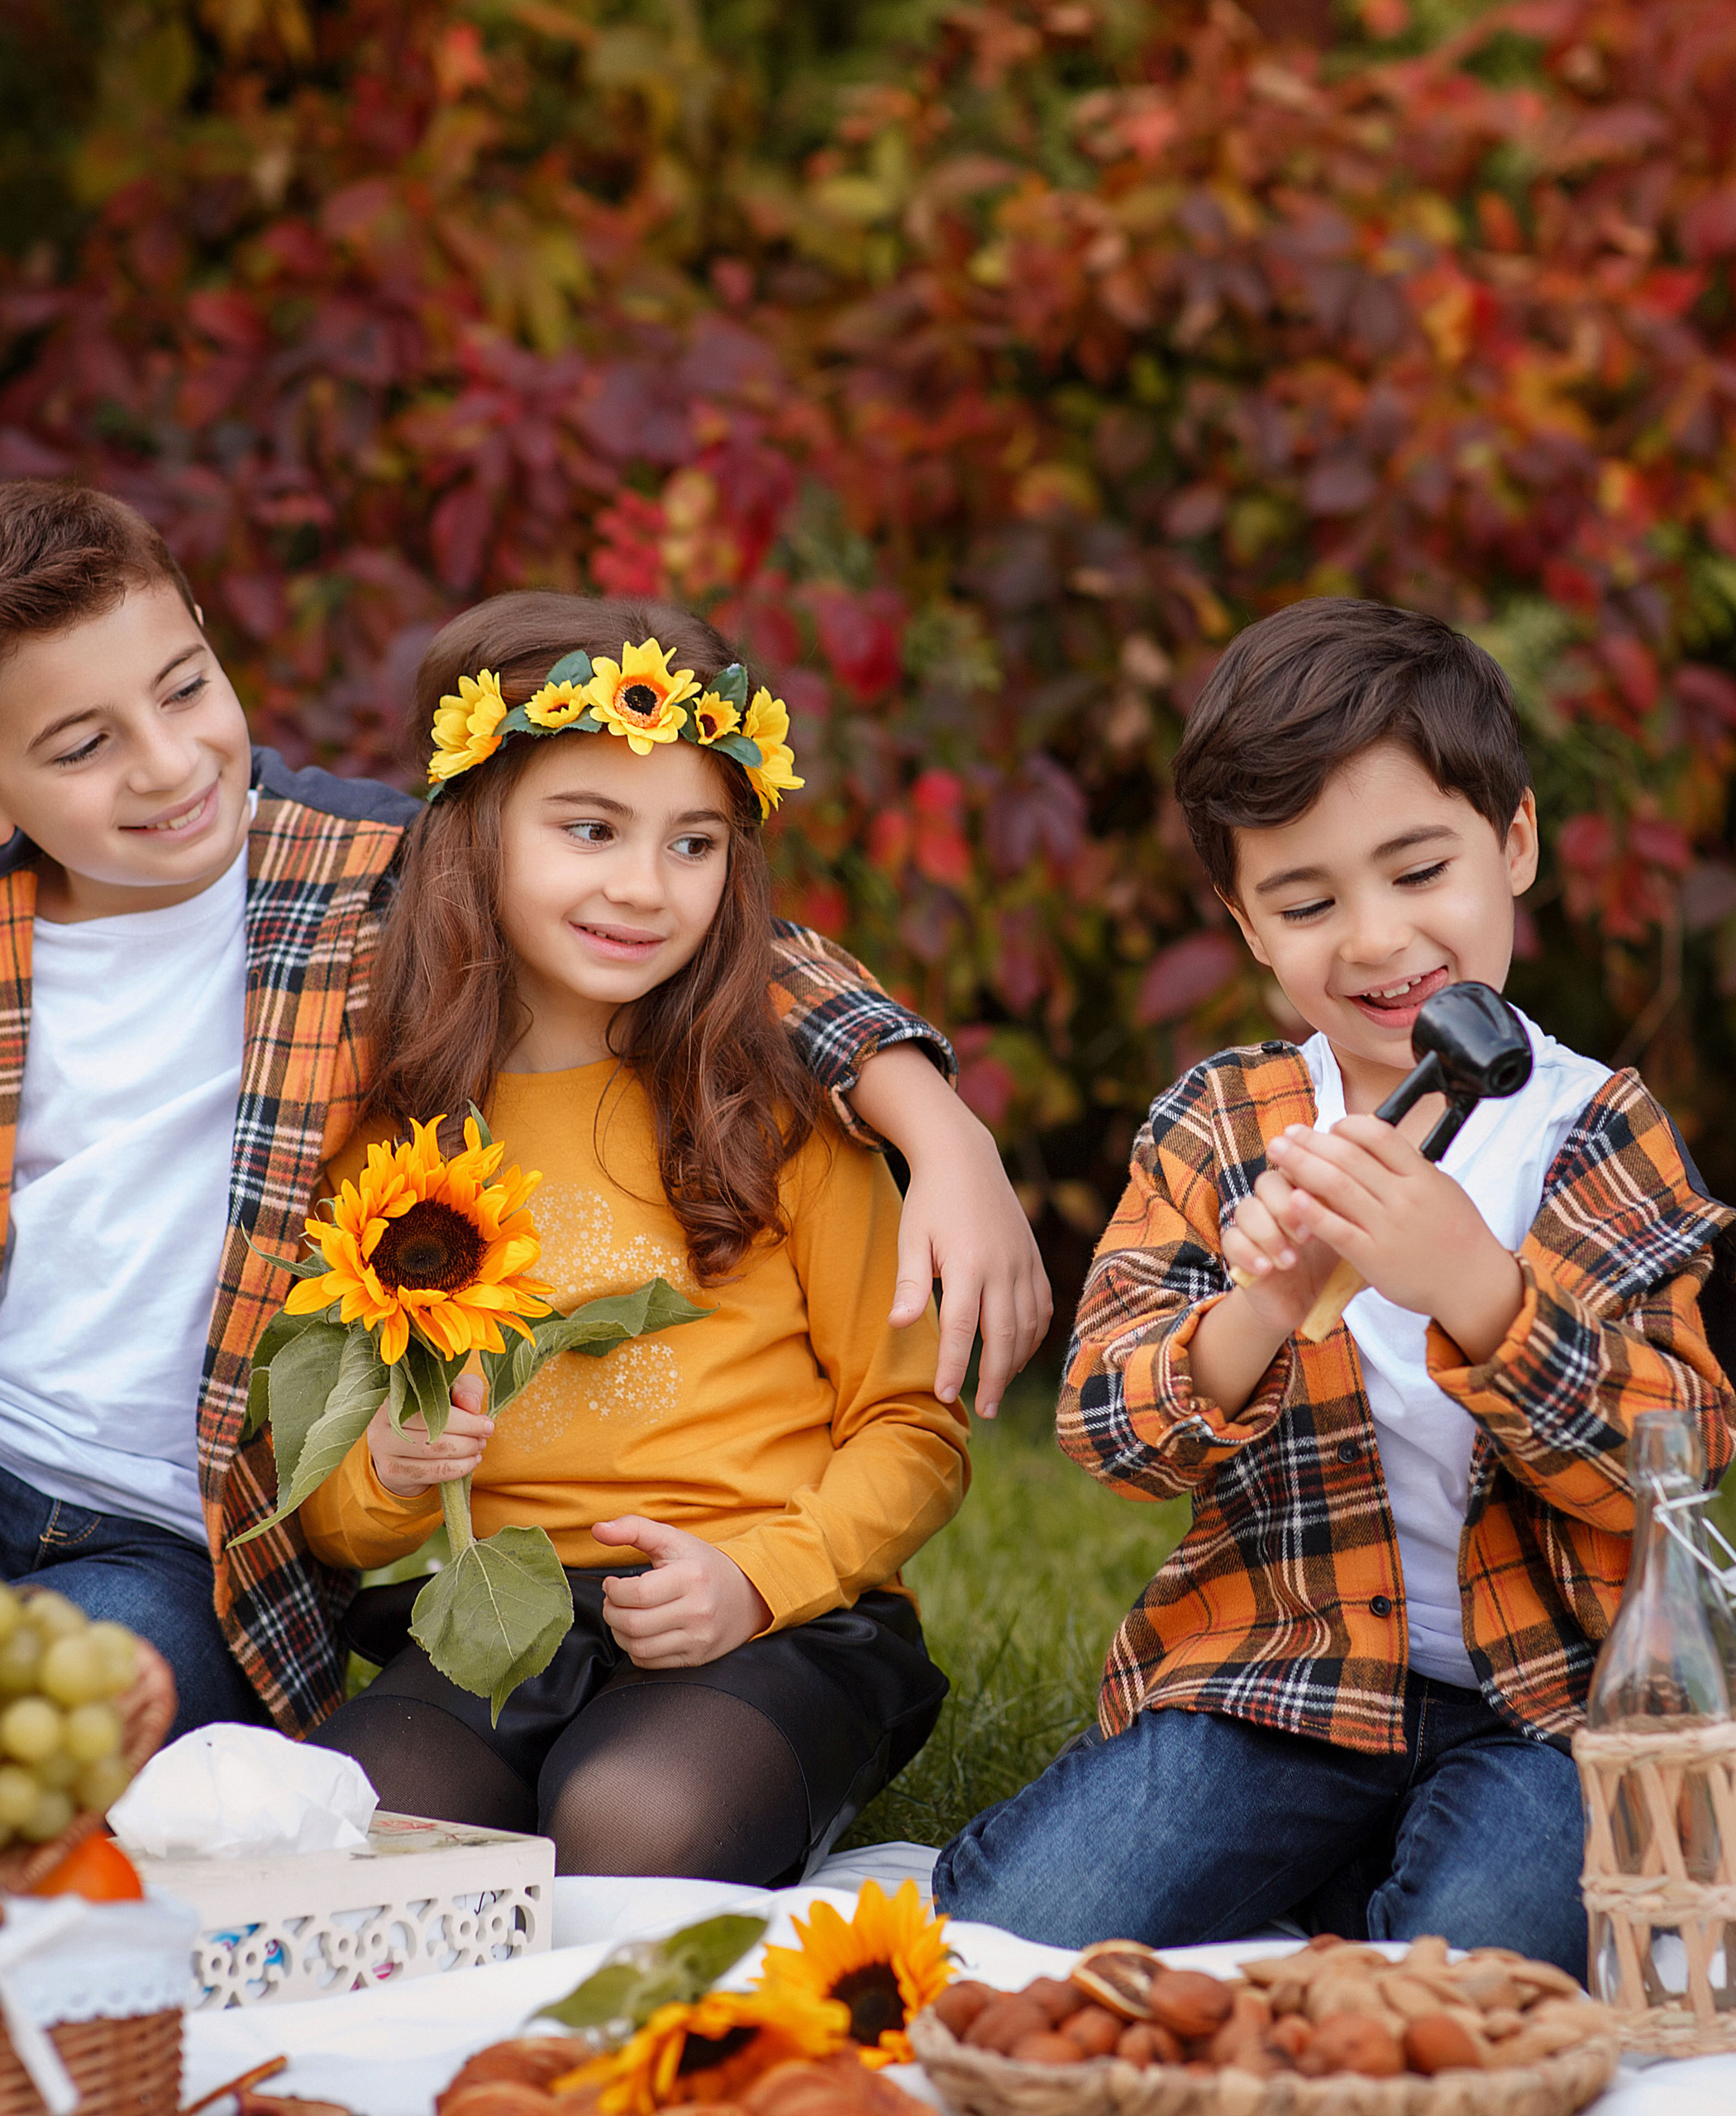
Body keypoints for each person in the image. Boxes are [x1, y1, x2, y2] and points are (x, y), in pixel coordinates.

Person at [0, 484, 1045, 1742]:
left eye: (183, 690)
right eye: (82, 746)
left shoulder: (361, 871)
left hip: (173, 1535)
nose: (168, 764)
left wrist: (940, 1126)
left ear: (212, 642)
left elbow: (726, 946)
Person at [933, 598, 1736, 1971]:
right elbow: (1106, 1432)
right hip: (1283, 1680)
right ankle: (1336, 1848)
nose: (1375, 941)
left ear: (1516, 842)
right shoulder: (1225, 1124)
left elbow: (1674, 1463)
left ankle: (1377, 1876)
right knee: (1020, 1932)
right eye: (1307, 903)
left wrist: (1479, 1293)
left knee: (1479, 1960)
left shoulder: (1594, 1133)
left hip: (1548, 1706)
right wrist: (1260, 1306)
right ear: (1248, 925)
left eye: (1419, 871)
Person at [299, 593, 971, 1880]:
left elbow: (915, 1425)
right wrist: (389, 1468)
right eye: (590, 827)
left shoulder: (779, 1107)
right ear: (478, 827)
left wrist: (759, 1576)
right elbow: (334, 1514)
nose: (642, 886)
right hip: (500, 1620)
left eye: (693, 842)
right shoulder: (383, 1137)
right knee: (358, 1833)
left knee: (632, 1824)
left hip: (769, 1616)